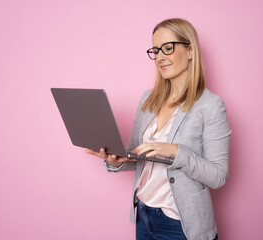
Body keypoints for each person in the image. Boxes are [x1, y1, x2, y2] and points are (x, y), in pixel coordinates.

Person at [86, 18, 231, 240]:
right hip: (143, 215)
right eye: (156, 50)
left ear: (190, 50)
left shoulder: (210, 105)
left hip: (180, 224)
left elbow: (218, 176)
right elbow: (138, 154)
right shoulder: (149, 99)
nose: (160, 56)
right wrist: (116, 162)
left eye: (168, 48)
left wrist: (174, 151)